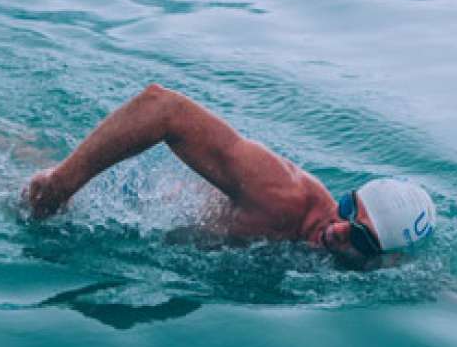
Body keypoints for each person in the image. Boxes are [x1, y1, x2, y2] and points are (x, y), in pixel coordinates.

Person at [23, 84, 435, 267]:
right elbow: (162, 107)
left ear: (385, 259)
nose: (338, 228)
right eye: (348, 209)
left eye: (360, 239)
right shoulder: (283, 195)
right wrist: (60, 186)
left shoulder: (374, 268)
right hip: (116, 203)